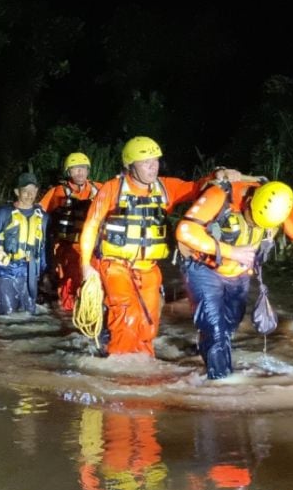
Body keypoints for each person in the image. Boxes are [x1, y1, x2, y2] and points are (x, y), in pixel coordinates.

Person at [79, 136, 243, 357]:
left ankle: (143, 364)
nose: (153, 167)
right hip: (115, 265)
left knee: (149, 322)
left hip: (148, 268)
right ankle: (119, 369)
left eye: (155, 161)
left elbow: (198, 188)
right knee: (127, 316)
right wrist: (86, 267)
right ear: (130, 165)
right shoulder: (111, 189)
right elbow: (90, 226)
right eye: (146, 162)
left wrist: (218, 174)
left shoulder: (165, 187)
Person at [175, 179, 293, 379]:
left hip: (238, 273)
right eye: (253, 219)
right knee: (215, 328)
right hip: (204, 268)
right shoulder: (220, 195)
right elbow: (184, 231)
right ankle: (221, 384)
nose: (256, 225)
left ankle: (204, 354)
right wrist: (231, 252)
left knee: (230, 324)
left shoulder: (280, 204)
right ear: (251, 202)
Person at [39, 152, 103, 311]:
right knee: (70, 282)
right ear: (68, 172)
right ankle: (67, 317)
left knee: (96, 281)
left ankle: (91, 312)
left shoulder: (101, 189)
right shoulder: (57, 192)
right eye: (75, 169)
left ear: (88, 171)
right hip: (67, 246)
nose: (80, 172)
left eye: (83, 168)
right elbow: (38, 214)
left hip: (94, 247)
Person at [0, 172, 50, 314]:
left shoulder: (43, 217)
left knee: (29, 315)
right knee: (7, 315)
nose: (29, 195)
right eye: (25, 191)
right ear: (16, 192)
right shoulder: (3, 213)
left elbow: (44, 247)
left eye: (33, 191)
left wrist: (45, 273)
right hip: (7, 269)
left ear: (37, 191)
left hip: (31, 271)